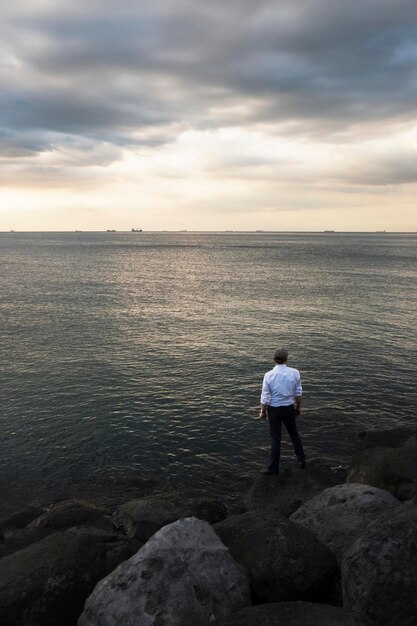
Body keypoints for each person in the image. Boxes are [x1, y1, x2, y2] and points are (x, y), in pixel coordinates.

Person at [259, 348, 306, 475]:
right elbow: (298, 393)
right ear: (286, 359)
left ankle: (274, 468)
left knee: (275, 439)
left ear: (274, 359)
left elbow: (265, 396)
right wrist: (298, 408)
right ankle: (301, 461)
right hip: (289, 408)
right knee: (294, 435)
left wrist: (263, 411)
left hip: (274, 410)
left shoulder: (268, 375)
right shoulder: (295, 372)